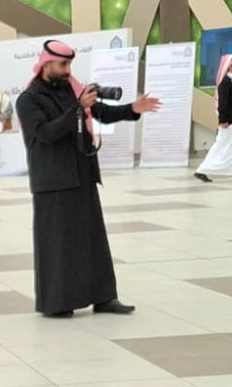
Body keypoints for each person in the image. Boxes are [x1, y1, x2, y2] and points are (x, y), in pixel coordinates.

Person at [16, 39, 160, 318]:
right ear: (46, 64)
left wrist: (132, 108)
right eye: (63, 65)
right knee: (58, 243)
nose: (68, 70)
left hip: (82, 173)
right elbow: (45, 134)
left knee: (93, 239)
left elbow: (101, 113)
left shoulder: (72, 89)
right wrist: (78, 109)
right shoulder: (29, 99)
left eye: (70, 64)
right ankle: (58, 303)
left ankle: (104, 297)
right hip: (53, 180)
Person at [195, 54, 232, 183]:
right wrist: (222, 120)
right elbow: (222, 104)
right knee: (222, 146)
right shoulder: (225, 83)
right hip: (229, 121)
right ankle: (202, 170)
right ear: (229, 66)